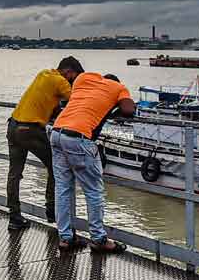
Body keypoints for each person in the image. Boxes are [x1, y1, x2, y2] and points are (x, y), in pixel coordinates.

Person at [51, 72, 136, 253]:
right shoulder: (119, 88)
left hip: (57, 132)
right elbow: (129, 110)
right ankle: (99, 239)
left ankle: (65, 238)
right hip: (79, 138)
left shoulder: (84, 78)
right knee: (93, 191)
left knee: (63, 189)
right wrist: (115, 107)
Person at [5, 56, 83, 230]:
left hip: (13, 126)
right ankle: (52, 212)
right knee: (56, 167)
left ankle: (14, 217)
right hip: (30, 130)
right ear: (68, 72)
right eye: (74, 77)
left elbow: (45, 99)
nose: (73, 81)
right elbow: (78, 101)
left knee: (14, 174)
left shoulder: (44, 74)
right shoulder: (61, 81)